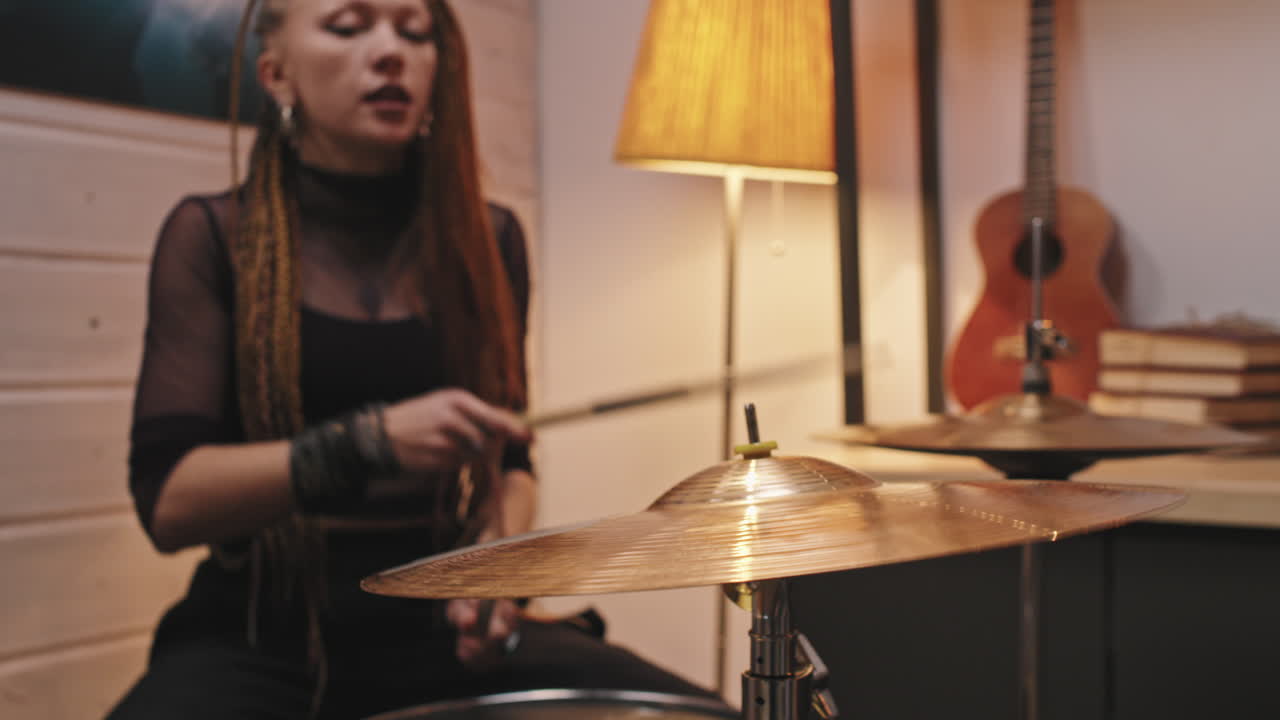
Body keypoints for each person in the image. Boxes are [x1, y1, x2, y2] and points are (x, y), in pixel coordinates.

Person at [107, 1, 718, 717]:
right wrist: (366, 445)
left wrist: (496, 564)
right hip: (259, 633)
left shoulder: (490, 240)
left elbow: (510, 463)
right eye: (348, 26)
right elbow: (170, 502)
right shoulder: (211, 236)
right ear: (276, 75)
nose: (390, 51)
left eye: (414, 30)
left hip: (441, 626)